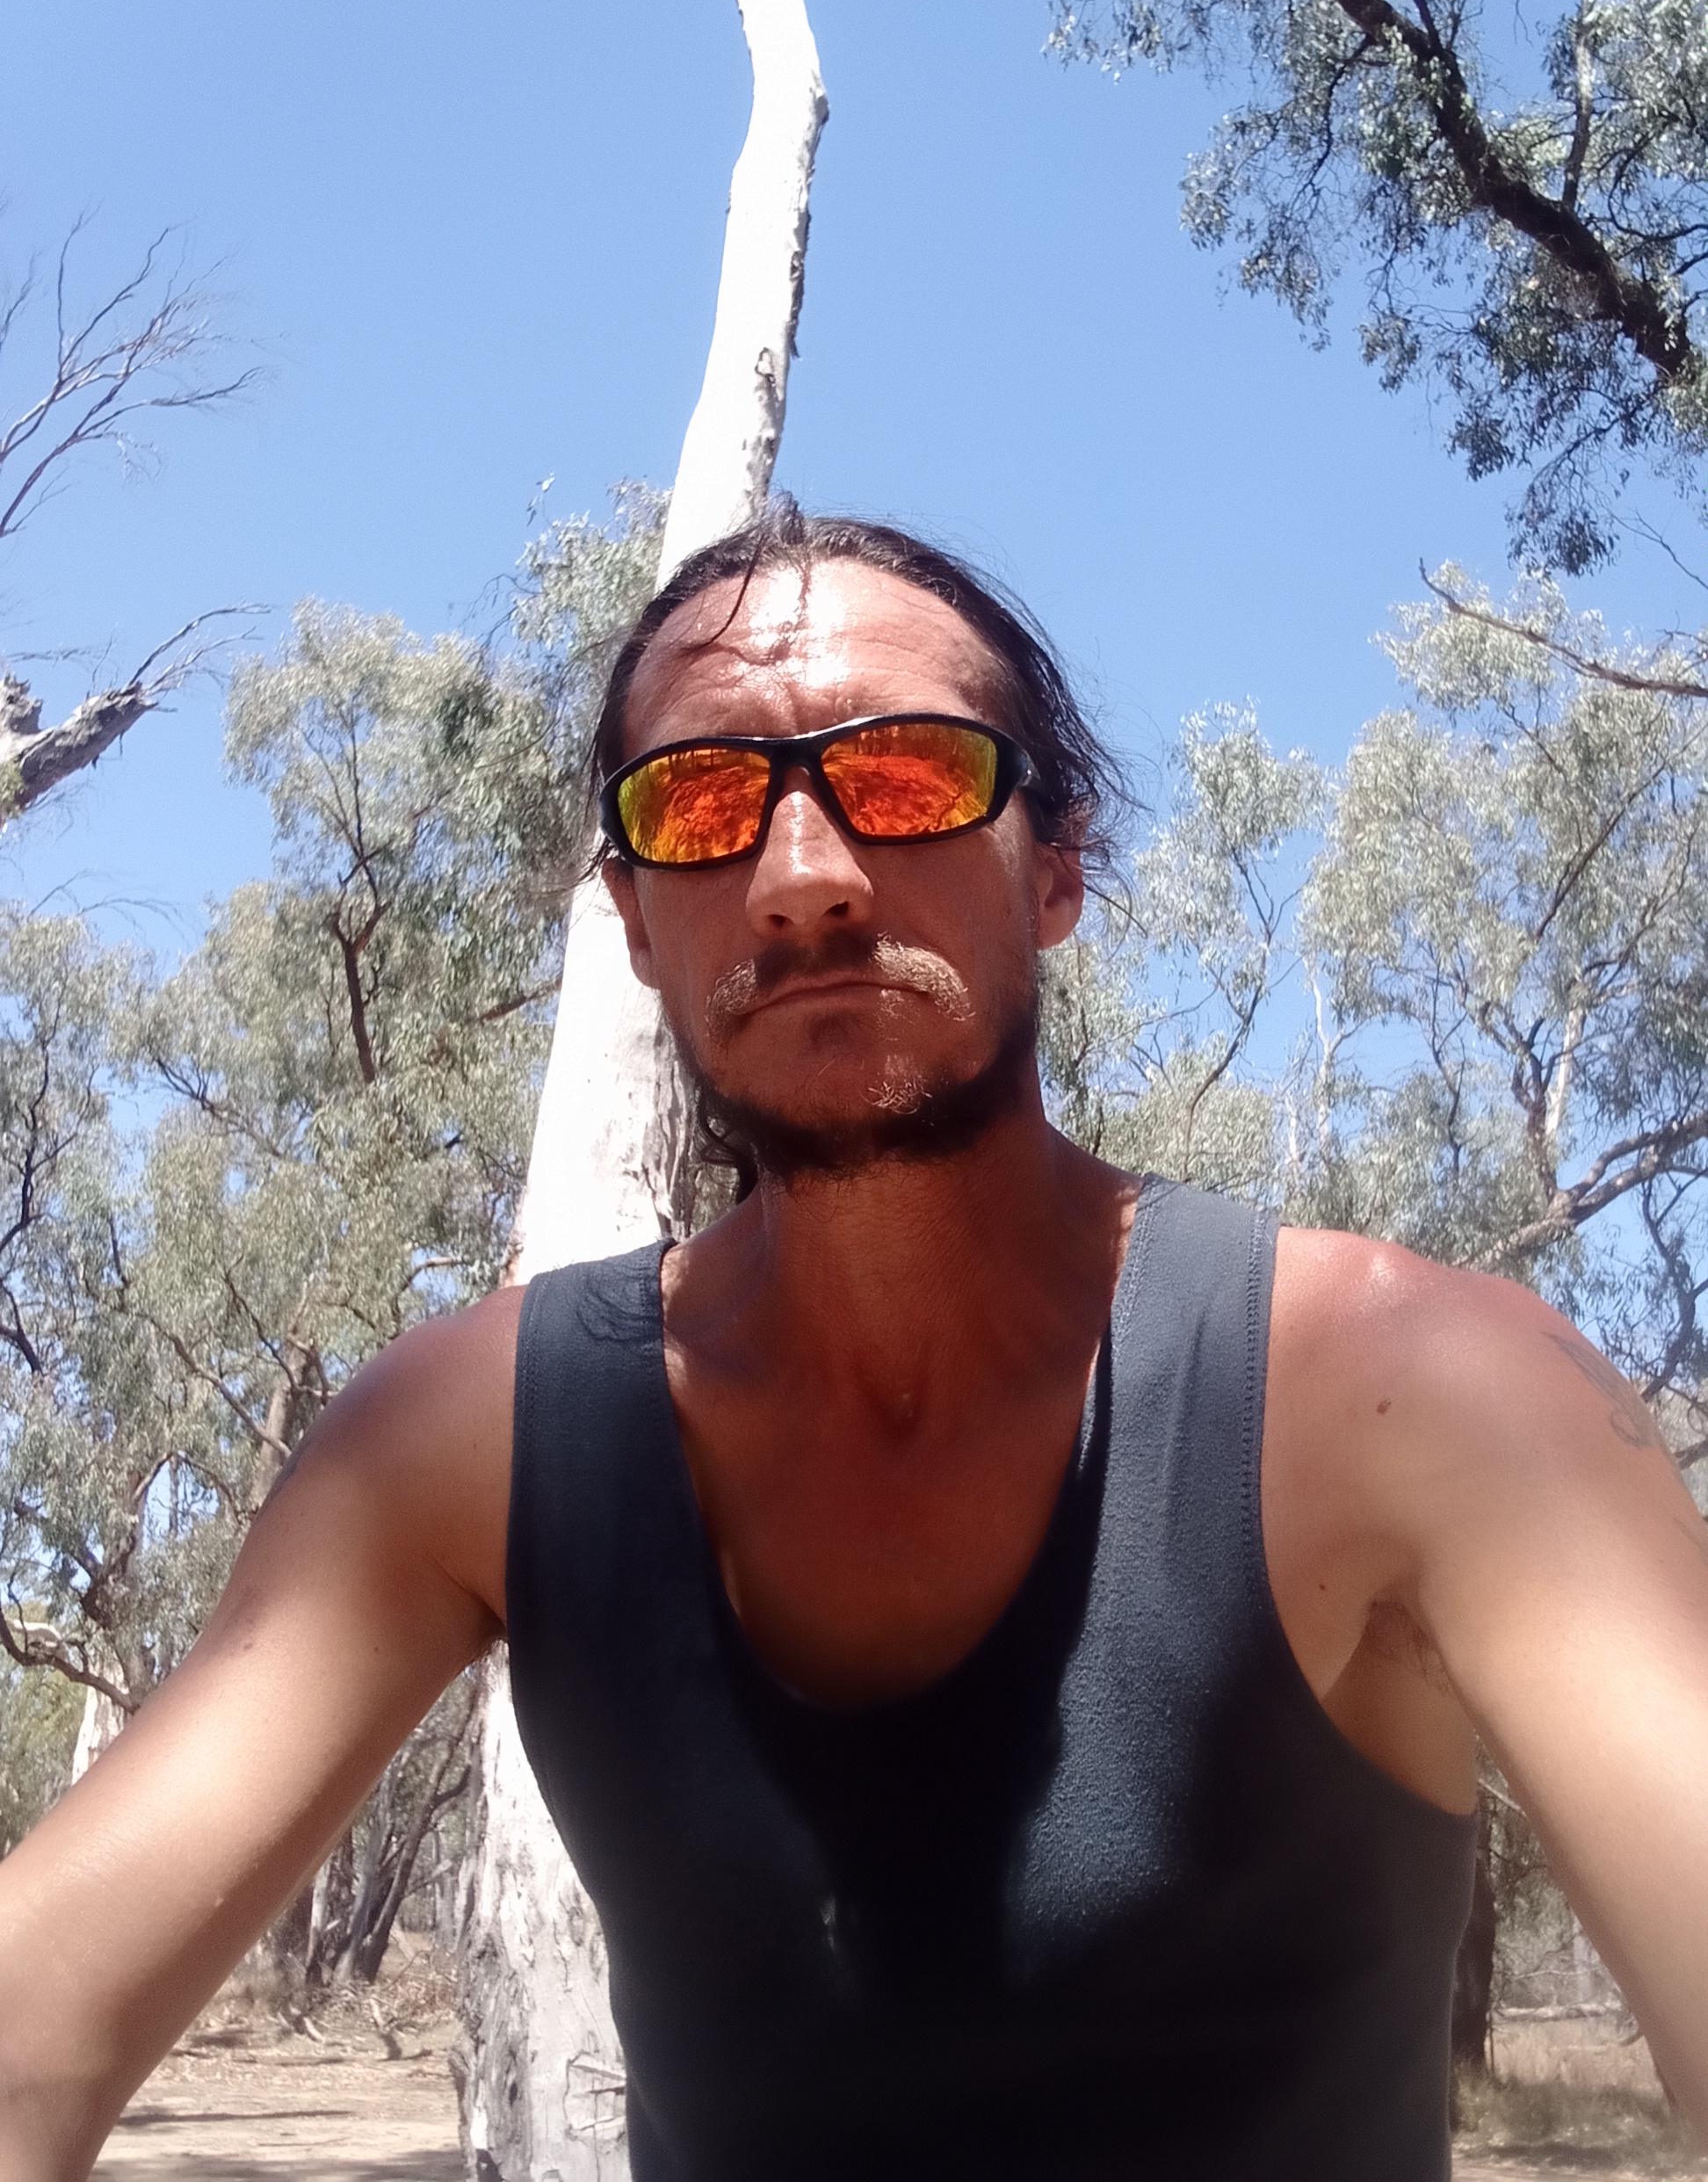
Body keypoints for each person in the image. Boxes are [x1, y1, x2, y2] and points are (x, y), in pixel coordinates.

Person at [1, 511, 1705, 2182]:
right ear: (634, 918)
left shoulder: (1423, 1400)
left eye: (904, 777)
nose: (803, 879)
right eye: (701, 803)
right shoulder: (469, 1444)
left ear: (1057, 868)